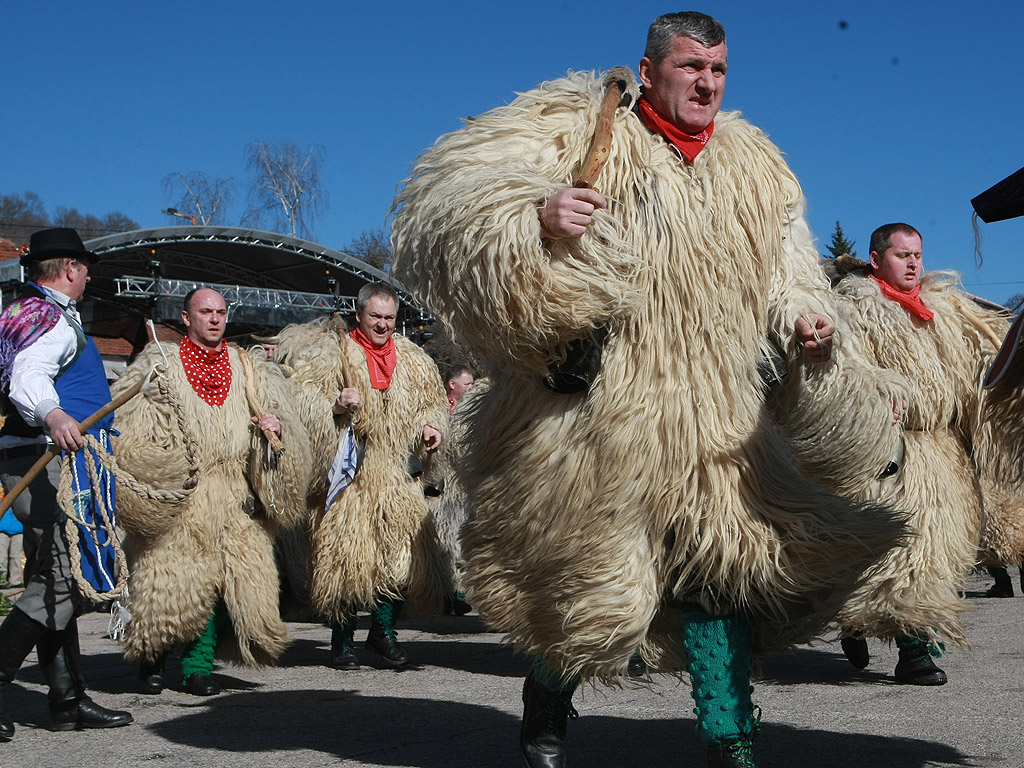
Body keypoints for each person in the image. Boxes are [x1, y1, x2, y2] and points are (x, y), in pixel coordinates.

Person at [391, 12, 905, 768]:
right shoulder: (581, 123)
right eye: (692, 67)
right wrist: (534, 215)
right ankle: (548, 707)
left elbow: (788, 271)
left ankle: (731, 741)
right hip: (593, 420)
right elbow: (451, 201)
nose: (706, 83)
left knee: (722, 576)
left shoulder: (754, 163)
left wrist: (806, 319)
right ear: (651, 67)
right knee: (588, 582)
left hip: (718, 423)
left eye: (718, 71)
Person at [771, 223, 1024, 686]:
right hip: (888, 454)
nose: (913, 263)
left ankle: (906, 644)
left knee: (935, 555)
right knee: (895, 552)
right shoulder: (853, 310)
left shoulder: (948, 311)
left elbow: (984, 369)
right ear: (876, 258)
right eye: (903, 254)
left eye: (918, 255)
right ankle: (888, 638)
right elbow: (843, 369)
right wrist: (876, 391)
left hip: (944, 457)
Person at [110, 288, 311, 695]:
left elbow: (286, 427)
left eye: (221, 311)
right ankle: (152, 657)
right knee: (168, 582)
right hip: (183, 493)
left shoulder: (248, 368)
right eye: (206, 312)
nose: (215, 319)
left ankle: (197, 666)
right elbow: (131, 426)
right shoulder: (159, 363)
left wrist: (272, 431)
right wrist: (163, 468)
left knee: (228, 583)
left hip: (235, 495)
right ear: (187, 318)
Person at [274, 282, 448, 670]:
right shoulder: (330, 355)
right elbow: (300, 403)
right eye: (376, 317)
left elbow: (433, 405)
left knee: (401, 560)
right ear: (360, 315)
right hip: (348, 477)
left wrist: (432, 427)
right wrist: (334, 407)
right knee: (346, 562)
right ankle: (342, 641)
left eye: (389, 318)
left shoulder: (414, 360)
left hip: (397, 476)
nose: (383, 325)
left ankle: (382, 635)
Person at [0, 228, 132, 738]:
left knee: (51, 577)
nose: (89, 275)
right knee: (60, 575)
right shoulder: (50, 319)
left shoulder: (20, 311)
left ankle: (66, 700)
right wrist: (53, 415)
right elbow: (28, 377)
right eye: (85, 267)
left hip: (32, 455)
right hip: (46, 458)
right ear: (71, 269)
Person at [0, 494, 24, 588]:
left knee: (16, 556)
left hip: (18, 528)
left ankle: (15, 581)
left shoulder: (19, 491)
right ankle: (1, 580)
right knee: (1, 557)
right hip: (2, 528)